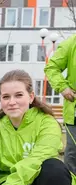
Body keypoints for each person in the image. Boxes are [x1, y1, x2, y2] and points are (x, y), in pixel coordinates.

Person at [44, 34, 76, 174]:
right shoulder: (71, 44)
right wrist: (62, 87)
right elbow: (51, 68)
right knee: (73, 154)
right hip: (74, 113)